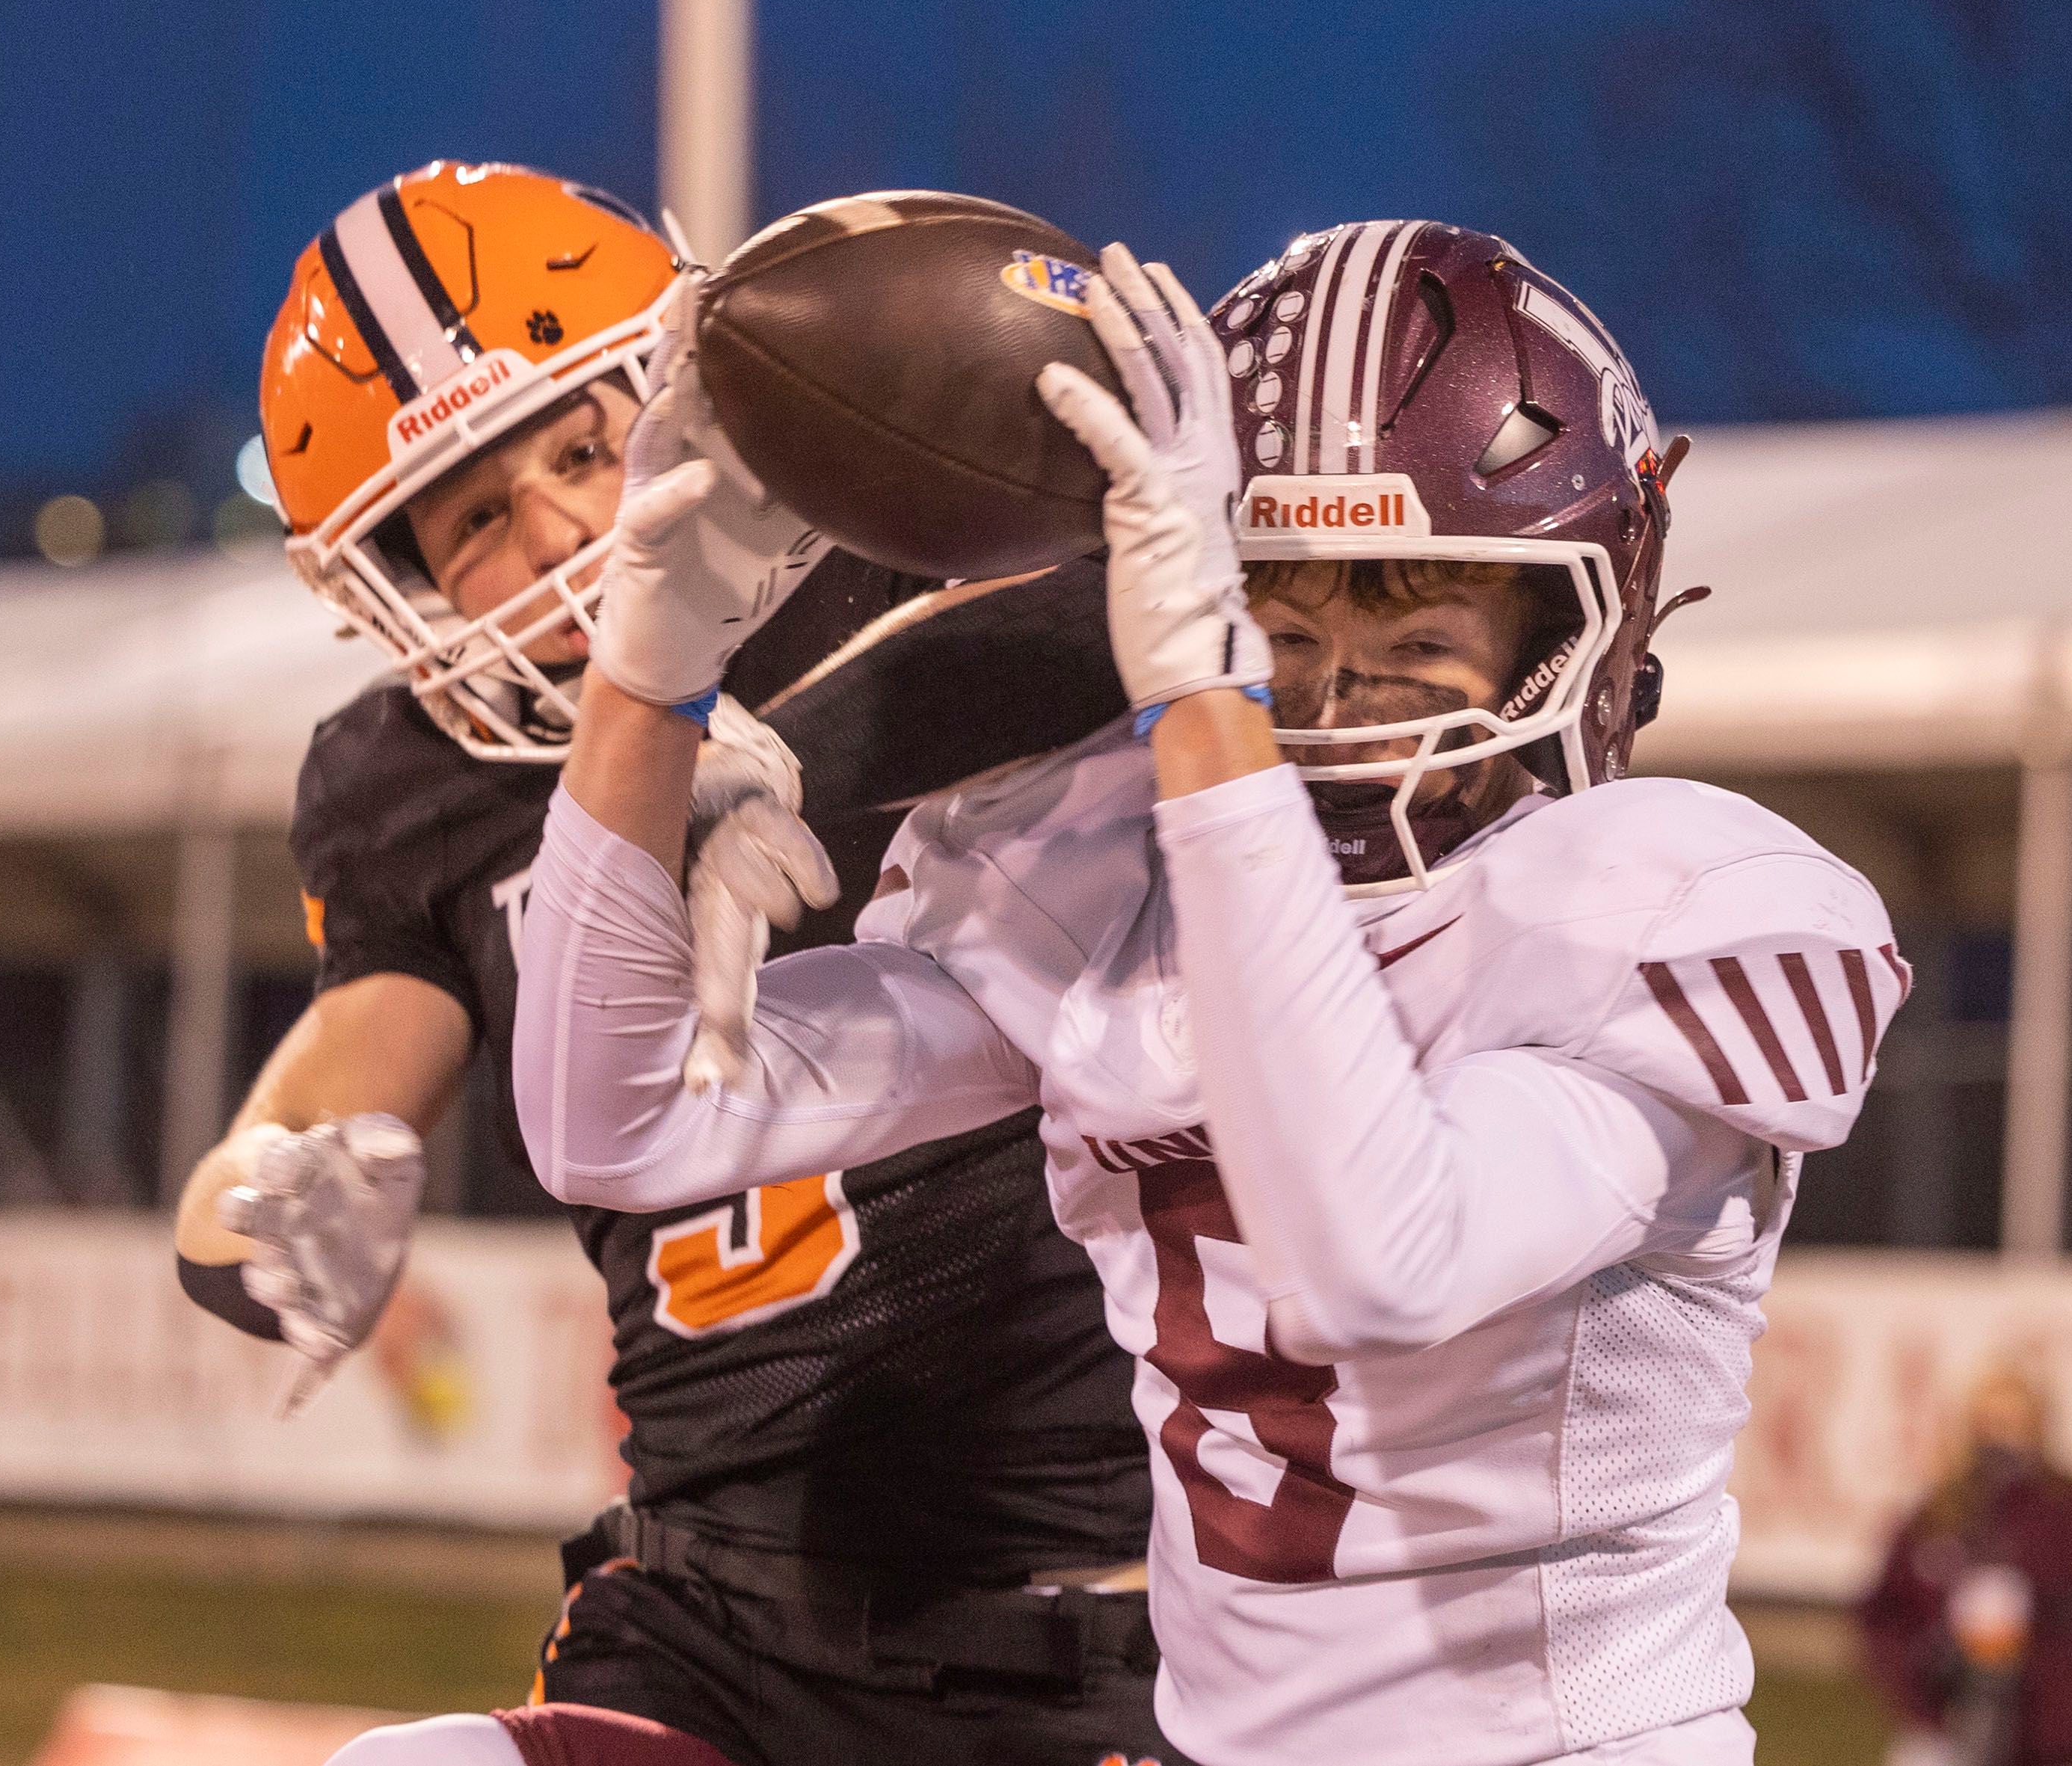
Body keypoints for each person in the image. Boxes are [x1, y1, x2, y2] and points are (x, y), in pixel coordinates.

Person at [515, 216, 1913, 1766]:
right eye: (1284, 630)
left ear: (1577, 627)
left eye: (1420, 633)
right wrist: (646, 683)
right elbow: (618, 1119)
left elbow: (1375, 1259)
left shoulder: (1670, 898)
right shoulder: (1117, 875)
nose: (1331, 703)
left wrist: (1203, 709)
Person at [173, 161, 1169, 1766]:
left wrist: (776, 740)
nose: (562, 527)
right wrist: (279, 1194)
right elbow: (329, 1080)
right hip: (710, 1617)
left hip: (1095, 1601)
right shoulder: (405, 776)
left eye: (579, 446)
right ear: (404, 584)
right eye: (475, 516)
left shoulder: (935, 565)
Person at [1859, 1367, 2072, 1766]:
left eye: (2015, 1426)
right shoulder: (1934, 1517)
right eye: (1989, 1425)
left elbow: (2069, 1577)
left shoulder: (2068, 1510)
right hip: (1947, 1715)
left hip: (2044, 1724)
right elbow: (1884, 1613)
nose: (2000, 1441)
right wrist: (1919, 1684)